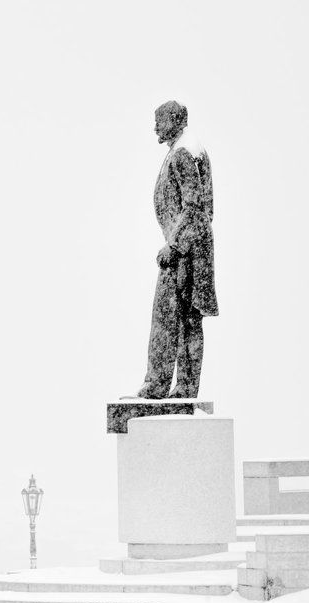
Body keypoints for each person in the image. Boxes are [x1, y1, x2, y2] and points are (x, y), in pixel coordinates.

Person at [137, 100, 217, 400]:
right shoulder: (184, 149)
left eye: (159, 120)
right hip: (189, 249)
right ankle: (180, 386)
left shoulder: (184, 152)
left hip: (184, 252)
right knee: (183, 319)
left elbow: (194, 206)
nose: (155, 127)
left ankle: (161, 384)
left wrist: (174, 245)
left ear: (175, 120)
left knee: (169, 317)